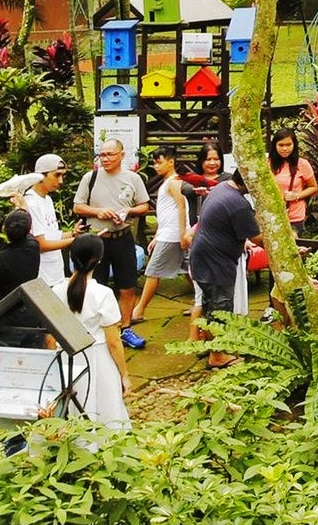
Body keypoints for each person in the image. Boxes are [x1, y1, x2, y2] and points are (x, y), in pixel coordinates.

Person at [71, 138, 151, 348]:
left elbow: (144, 206)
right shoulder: (91, 177)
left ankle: (125, 328)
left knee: (127, 287)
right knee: (96, 286)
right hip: (97, 240)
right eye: (102, 155)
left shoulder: (133, 179)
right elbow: (78, 207)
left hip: (123, 237)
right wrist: (98, 211)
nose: (105, 159)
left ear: (121, 155)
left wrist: (127, 212)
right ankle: (96, 328)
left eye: (110, 155)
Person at [188, 168, 260, 368]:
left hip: (202, 257)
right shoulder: (238, 204)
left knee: (211, 306)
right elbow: (257, 237)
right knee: (220, 309)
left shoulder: (222, 188)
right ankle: (217, 356)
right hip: (214, 263)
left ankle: (213, 346)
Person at [63, 233, 130, 430]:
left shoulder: (56, 289)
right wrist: (124, 373)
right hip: (97, 358)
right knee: (106, 411)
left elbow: (49, 335)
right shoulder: (103, 293)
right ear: (99, 260)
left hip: (66, 357)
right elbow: (113, 341)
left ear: (71, 257)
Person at [131, 143, 193, 328]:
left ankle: (140, 309)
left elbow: (182, 208)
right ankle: (200, 301)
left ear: (171, 162)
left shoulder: (174, 182)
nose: (156, 166)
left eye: (159, 163)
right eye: (154, 163)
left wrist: (182, 234)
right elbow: (168, 212)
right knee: (190, 272)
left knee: (152, 271)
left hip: (173, 235)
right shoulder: (169, 182)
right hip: (169, 233)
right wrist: (158, 235)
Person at [0, 211, 50, 348]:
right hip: (30, 313)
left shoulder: (0, 259)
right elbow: (29, 232)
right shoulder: (33, 247)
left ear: (4, 229)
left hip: (6, 319)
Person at [23, 154, 74, 283]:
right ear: (41, 176)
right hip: (42, 275)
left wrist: (73, 233)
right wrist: (75, 241)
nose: (61, 181)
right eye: (56, 175)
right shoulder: (31, 202)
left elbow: (51, 235)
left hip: (56, 272)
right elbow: (41, 244)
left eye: (63, 175)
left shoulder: (48, 199)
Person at [269, 127, 318, 233]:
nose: (285, 149)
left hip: (294, 217)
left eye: (288, 145)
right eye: (281, 145)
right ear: (275, 146)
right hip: (272, 216)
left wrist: (296, 195)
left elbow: (313, 187)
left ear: (294, 145)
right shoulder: (267, 164)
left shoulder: (302, 163)